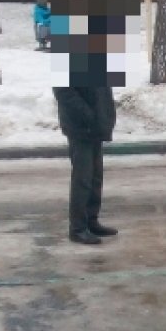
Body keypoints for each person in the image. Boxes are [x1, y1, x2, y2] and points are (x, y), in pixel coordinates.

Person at [53, 84, 117, 244]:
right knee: (83, 178)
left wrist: (106, 114)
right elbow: (63, 91)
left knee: (95, 177)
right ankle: (78, 228)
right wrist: (86, 113)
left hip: (95, 123)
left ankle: (91, 221)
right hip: (79, 126)